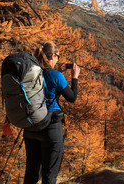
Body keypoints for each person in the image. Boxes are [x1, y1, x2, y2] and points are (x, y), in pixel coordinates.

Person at [23, 41, 80, 184]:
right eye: (58, 57)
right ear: (53, 56)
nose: (59, 60)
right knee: (49, 175)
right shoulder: (56, 76)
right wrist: (75, 77)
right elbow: (71, 97)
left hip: (30, 126)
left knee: (31, 173)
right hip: (50, 127)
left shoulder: (30, 72)